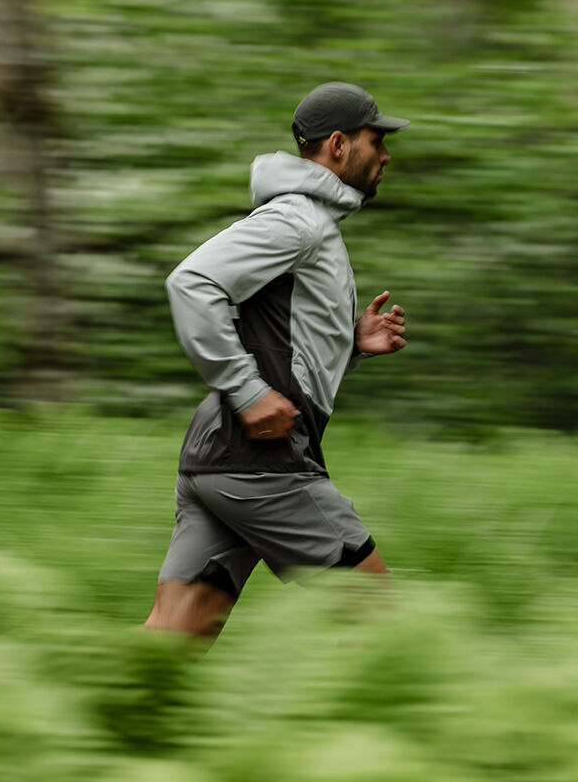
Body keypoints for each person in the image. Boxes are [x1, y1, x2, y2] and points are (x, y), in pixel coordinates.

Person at [144, 82, 409, 638]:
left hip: (218, 459)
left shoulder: (308, 223)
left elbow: (284, 341)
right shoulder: (299, 220)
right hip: (261, 463)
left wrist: (350, 344)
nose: (385, 155)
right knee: (384, 629)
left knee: (168, 647)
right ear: (339, 144)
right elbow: (191, 282)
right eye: (375, 140)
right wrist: (247, 392)